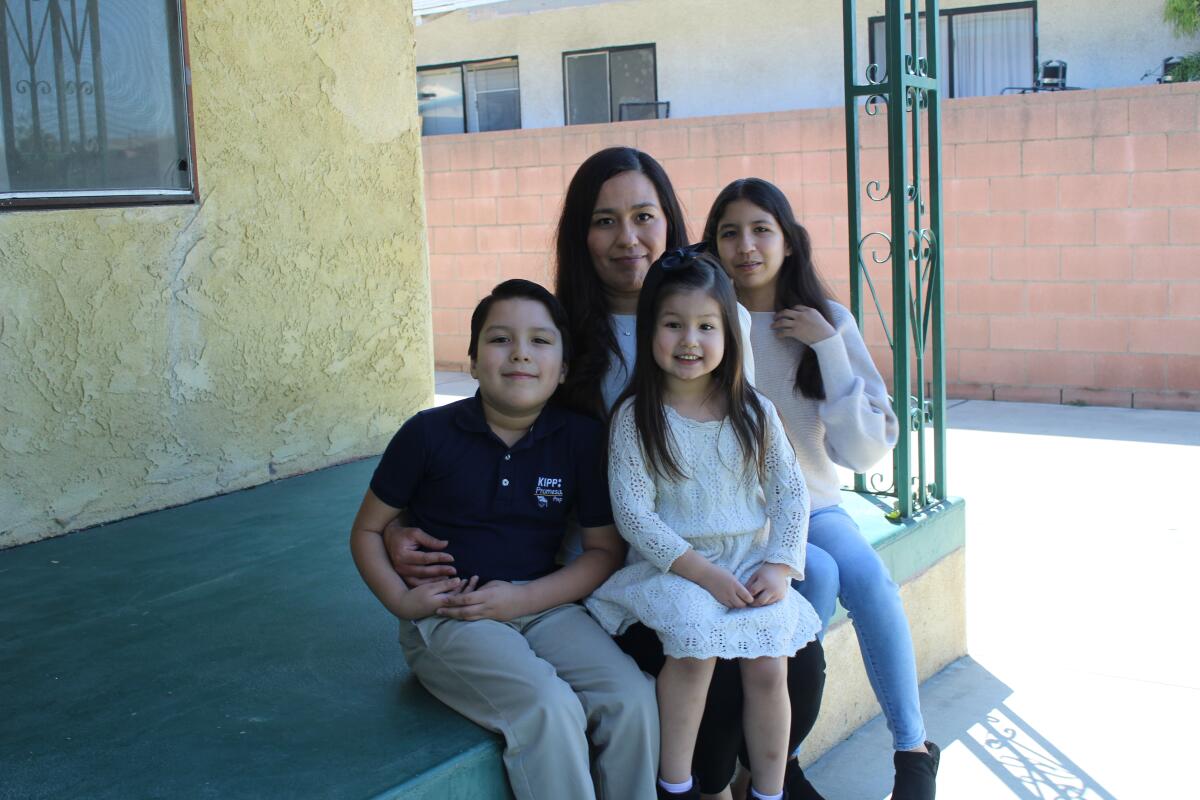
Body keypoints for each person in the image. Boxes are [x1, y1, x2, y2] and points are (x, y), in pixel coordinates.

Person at [386, 147, 827, 800]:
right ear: (580, 235)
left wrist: (776, 558)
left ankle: (761, 779)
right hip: (616, 575)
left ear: (670, 223)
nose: (627, 238)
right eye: (605, 220)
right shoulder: (559, 332)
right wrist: (399, 526)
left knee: (796, 661)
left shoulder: (716, 313)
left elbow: (749, 446)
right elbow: (488, 435)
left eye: (643, 216)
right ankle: (708, 784)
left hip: (719, 555)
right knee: (697, 663)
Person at [350, 279, 658, 800]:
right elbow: (367, 530)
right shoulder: (427, 434)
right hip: (454, 614)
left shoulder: (581, 439)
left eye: (540, 340)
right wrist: (403, 601)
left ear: (562, 368)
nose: (520, 353)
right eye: (499, 340)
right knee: (548, 706)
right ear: (471, 360)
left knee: (630, 696)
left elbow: (604, 552)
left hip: (544, 608)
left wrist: (523, 598)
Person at [704, 178, 939, 800]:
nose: (746, 246)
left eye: (761, 230)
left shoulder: (827, 321)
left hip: (816, 502)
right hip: (740, 514)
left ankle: (912, 754)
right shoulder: (707, 320)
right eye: (730, 232)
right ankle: (785, 762)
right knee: (822, 578)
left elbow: (862, 450)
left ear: (788, 240)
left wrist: (829, 348)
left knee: (870, 581)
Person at [586, 248, 822, 800]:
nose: (689, 340)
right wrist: (703, 574)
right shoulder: (636, 417)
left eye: (705, 326)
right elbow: (634, 515)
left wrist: (782, 565)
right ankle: (676, 785)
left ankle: (768, 790)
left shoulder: (753, 411)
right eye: (673, 324)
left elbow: (791, 492)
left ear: (728, 334)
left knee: (769, 660)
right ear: (650, 332)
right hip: (672, 569)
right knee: (693, 645)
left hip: (748, 562)